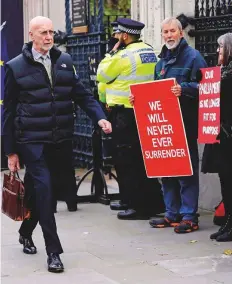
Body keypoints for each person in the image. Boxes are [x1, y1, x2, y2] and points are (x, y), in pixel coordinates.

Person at [2, 16, 112, 272]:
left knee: (36, 194)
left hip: (60, 140)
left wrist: (100, 118)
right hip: (31, 141)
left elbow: (82, 95)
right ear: (32, 35)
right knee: (46, 194)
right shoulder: (15, 67)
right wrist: (10, 151)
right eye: (43, 32)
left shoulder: (64, 61)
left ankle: (25, 231)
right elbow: (8, 112)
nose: (49, 37)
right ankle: (54, 252)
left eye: (51, 32)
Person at [129, 17, 207, 232]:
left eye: (173, 31)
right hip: (165, 125)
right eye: (165, 32)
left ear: (181, 33)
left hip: (185, 124)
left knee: (186, 171)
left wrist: (185, 89)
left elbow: (206, 87)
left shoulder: (193, 57)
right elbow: (156, 93)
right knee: (167, 169)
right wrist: (139, 100)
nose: (169, 35)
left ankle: (189, 216)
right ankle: (172, 213)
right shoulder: (161, 62)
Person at [97, 18, 164, 220]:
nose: (115, 37)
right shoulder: (150, 50)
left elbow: (101, 74)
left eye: (118, 34)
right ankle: (145, 201)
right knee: (142, 160)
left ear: (125, 36)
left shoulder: (123, 55)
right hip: (145, 110)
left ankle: (138, 206)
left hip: (125, 113)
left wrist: (111, 52)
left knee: (128, 160)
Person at [201, 33, 232, 242]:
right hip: (220, 134)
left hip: (228, 134)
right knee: (224, 180)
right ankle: (228, 221)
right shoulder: (222, 73)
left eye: (221, 47)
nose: (218, 51)